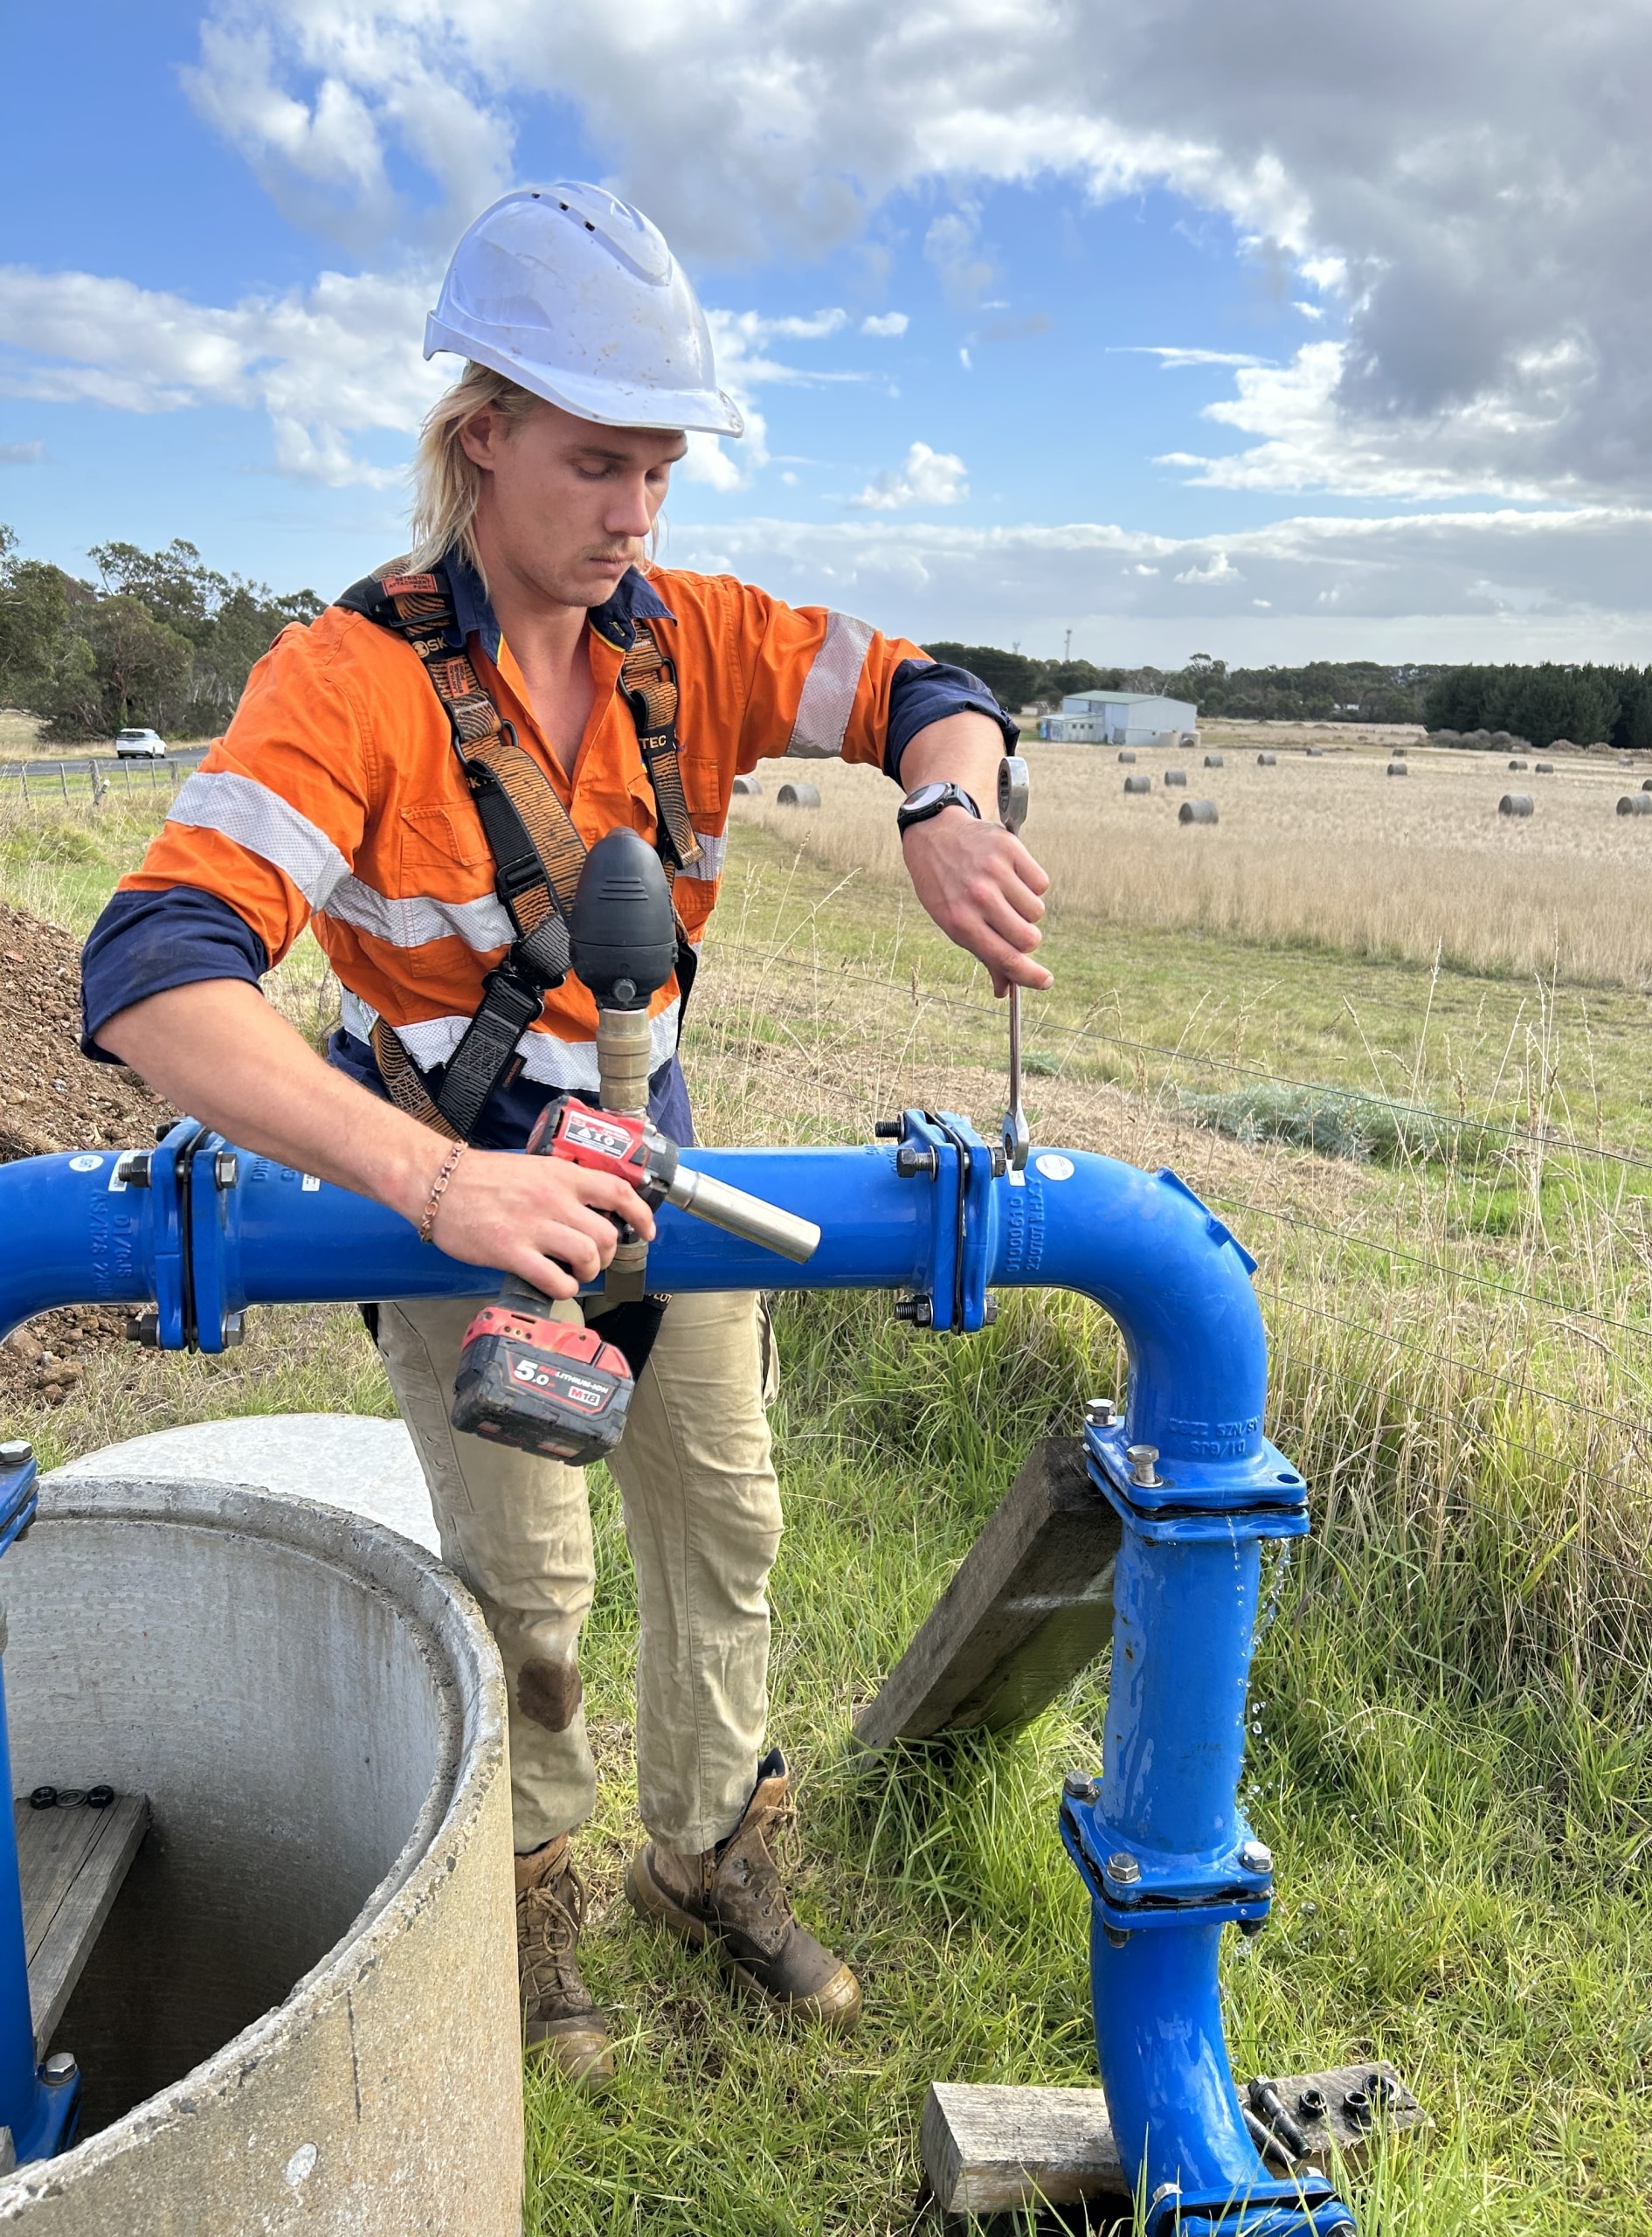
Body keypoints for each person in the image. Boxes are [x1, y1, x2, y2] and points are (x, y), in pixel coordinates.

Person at [79, 182, 1051, 2085]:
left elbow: (927, 689)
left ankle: (705, 1850)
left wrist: (947, 803)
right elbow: (150, 967)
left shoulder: (688, 637)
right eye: (597, 462)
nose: (634, 513)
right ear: (481, 440)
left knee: (729, 1513)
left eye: (662, 470)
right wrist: (435, 1179)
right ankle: (532, 1891)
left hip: (655, 1162)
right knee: (525, 1573)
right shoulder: (344, 681)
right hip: (450, 1185)